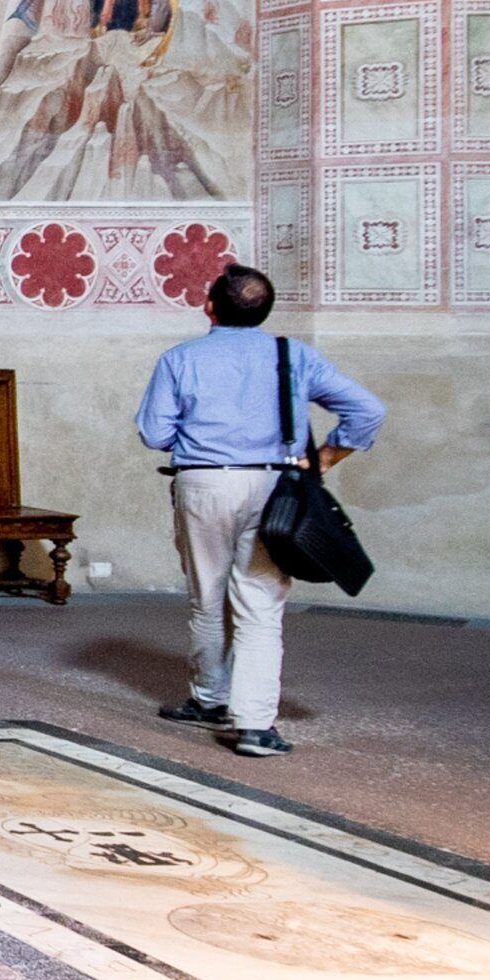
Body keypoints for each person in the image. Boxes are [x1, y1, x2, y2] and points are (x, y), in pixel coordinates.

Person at [136, 265, 384, 760]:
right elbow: (368, 410)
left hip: (203, 482)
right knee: (261, 604)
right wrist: (326, 457)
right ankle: (254, 725)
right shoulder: (294, 356)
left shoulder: (180, 359)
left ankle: (209, 699)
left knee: (207, 597)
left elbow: (154, 434)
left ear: (209, 307)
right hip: (274, 486)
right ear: (265, 311)